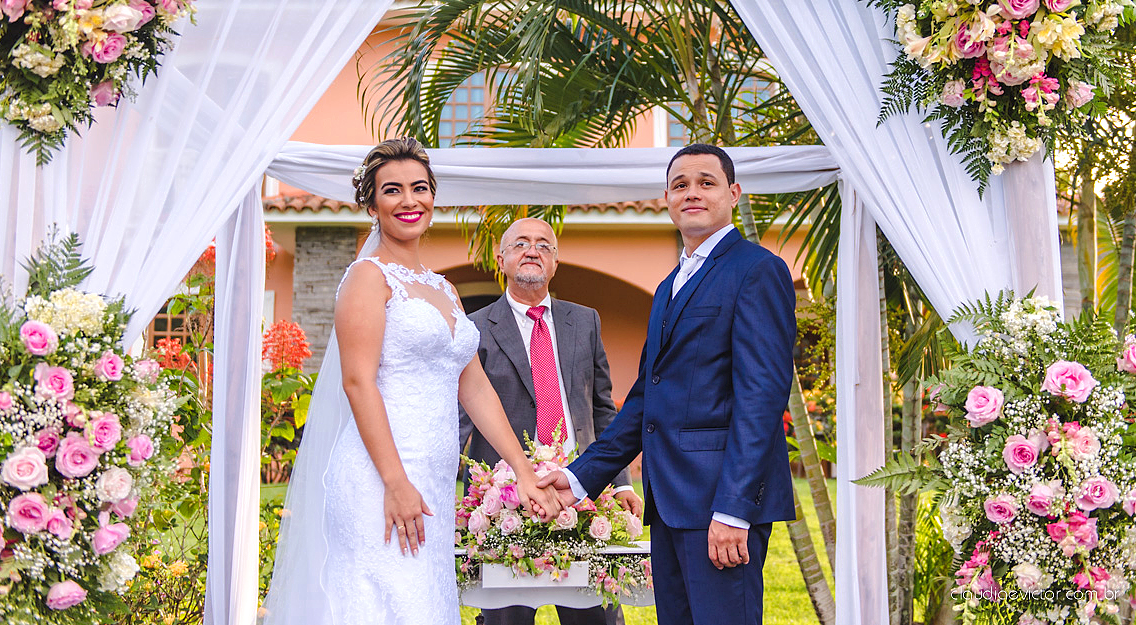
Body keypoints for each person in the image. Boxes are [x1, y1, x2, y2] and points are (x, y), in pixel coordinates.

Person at [263, 138, 559, 625]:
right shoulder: (366, 278)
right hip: (379, 480)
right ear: (373, 204)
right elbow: (358, 383)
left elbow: (475, 387)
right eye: (393, 190)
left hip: (434, 483)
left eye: (419, 188)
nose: (409, 201)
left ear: (433, 197)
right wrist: (395, 482)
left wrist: (523, 469)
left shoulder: (442, 288)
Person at [537, 143, 797, 625]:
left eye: (706, 182)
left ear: (734, 193)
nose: (691, 193)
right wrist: (578, 479)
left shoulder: (758, 270)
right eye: (680, 185)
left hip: (720, 506)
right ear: (667, 199)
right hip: (670, 505)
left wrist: (734, 511)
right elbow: (645, 401)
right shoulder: (669, 285)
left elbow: (761, 399)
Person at [459, 217, 641, 625]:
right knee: (508, 619)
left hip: (582, 490)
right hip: (503, 495)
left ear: (555, 263)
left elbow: (602, 408)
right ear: (501, 259)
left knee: (596, 617)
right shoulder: (474, 329)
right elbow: (460, 417)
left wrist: (622, 481)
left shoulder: (586, 321)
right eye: (521, 243)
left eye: (544, 245)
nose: (533, 250)